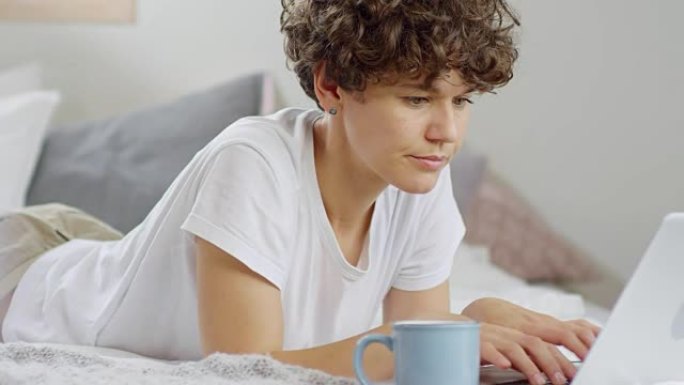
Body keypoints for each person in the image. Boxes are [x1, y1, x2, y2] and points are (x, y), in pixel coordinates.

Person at [0, 1, 600, 384]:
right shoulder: (253, 160)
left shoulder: (419, 176)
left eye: (460, 100)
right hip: (30, 261)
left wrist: (470, 321)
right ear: (332, 84)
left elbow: (407, 339)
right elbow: (244, 368)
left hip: (103, 252)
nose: (446, 132)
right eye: (417, 99)